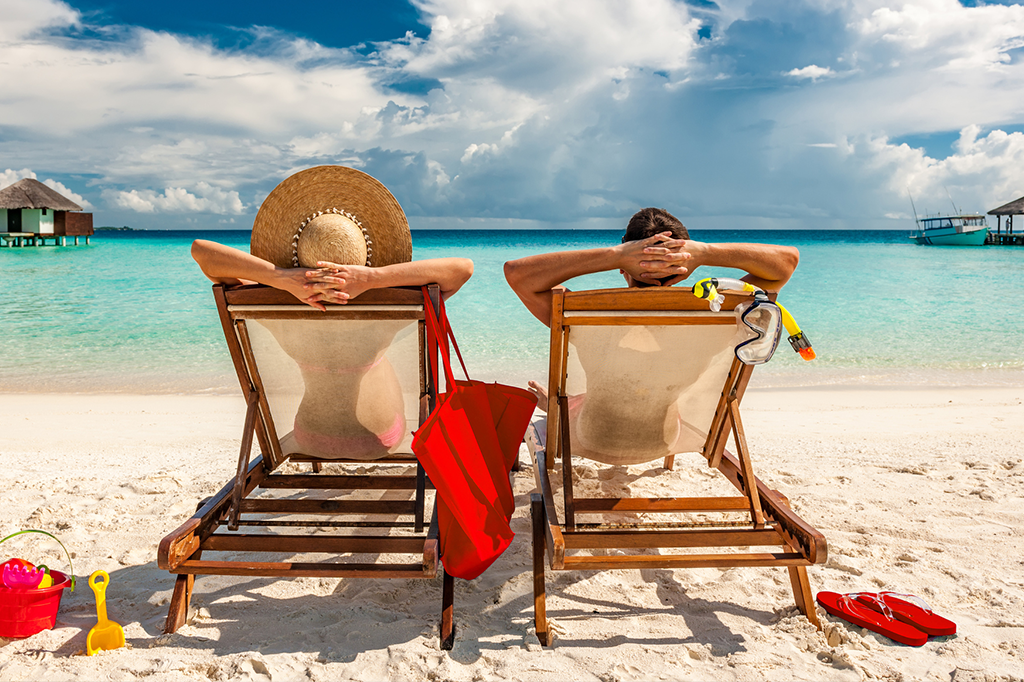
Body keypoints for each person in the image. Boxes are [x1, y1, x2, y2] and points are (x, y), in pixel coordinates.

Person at [191, 165, 473, 460]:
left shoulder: (271, 306)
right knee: (378, 360)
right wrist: (370, 279)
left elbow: (201, 251)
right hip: (380, 439)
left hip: (309, 437)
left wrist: (283, 279)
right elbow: (462, 269)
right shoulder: (393, 307)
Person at [503, 207, 800, 465]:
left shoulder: (583, 316)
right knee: (638, 386)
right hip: (663, 440)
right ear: (683, 267)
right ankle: (558, 405)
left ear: (624, 266)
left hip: (592, 437)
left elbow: (518, 275)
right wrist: (705, 253)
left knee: (609, 388)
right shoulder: (712, 318)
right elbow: (784, 265)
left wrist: (616, 255)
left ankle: (553, 407)